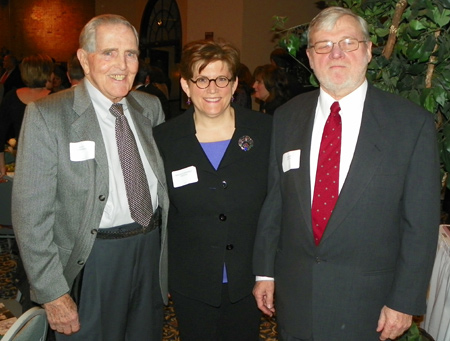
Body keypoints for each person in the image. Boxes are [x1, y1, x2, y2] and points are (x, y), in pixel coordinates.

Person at [252, 6, 440, 341]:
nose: (335, 53)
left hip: (369, 304)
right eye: (323, 45)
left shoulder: (410, 124)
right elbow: (275, 202)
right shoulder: (286, 117)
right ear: (310, 57)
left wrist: (405, 301)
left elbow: (421, 225)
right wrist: (265, 271)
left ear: (368, 51)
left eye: (348, 42)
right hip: (297, 296)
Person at [11, 14, 169, 340]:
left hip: (149, 252)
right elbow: (31, 216)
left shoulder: (150, 109)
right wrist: (53, 293)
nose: (122, 65)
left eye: (131, 54)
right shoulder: (49, 116)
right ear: (85, 59)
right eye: (109, 52)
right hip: (93, 259)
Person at [153, 39, 272, 341]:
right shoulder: (164, 139)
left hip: (248, 278)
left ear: (234, 85)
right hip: (190, 279)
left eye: (222, 79)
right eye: (202, 79)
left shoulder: (265, 131)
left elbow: (276, 207)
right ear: (185, 85)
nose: (212, 89)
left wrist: (267, 272)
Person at [0, 54, 54, 178]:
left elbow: (1, 131)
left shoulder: (12, 96)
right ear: (47, 73)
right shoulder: (56, 98)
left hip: (23, 159)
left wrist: (1, 161)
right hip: (50, 162)